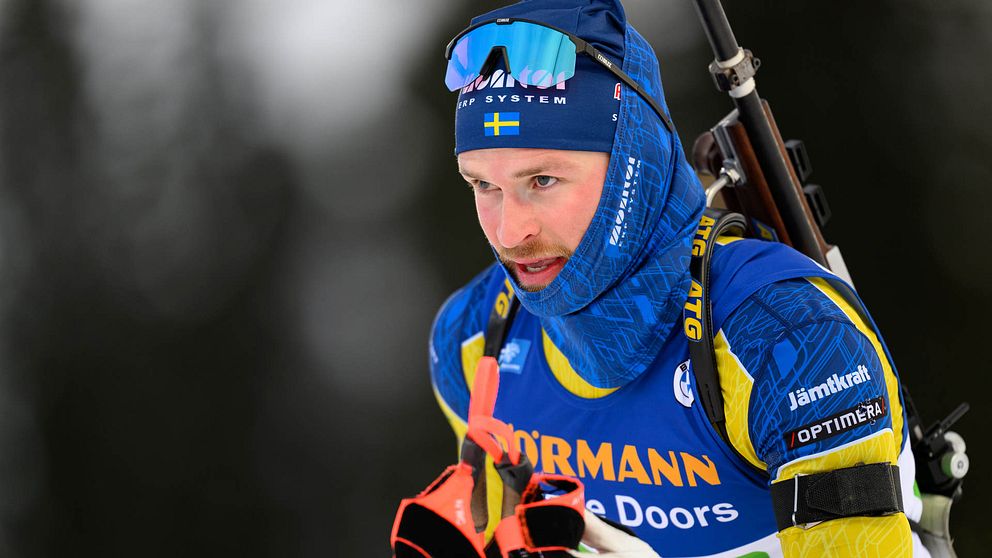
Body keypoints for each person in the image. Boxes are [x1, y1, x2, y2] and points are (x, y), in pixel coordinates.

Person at [429, 0, 928, 555]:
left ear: (631, 167)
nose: (509, 231)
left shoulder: (787, 339)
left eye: (543, 180)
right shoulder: (472, 337)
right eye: (483, 185)